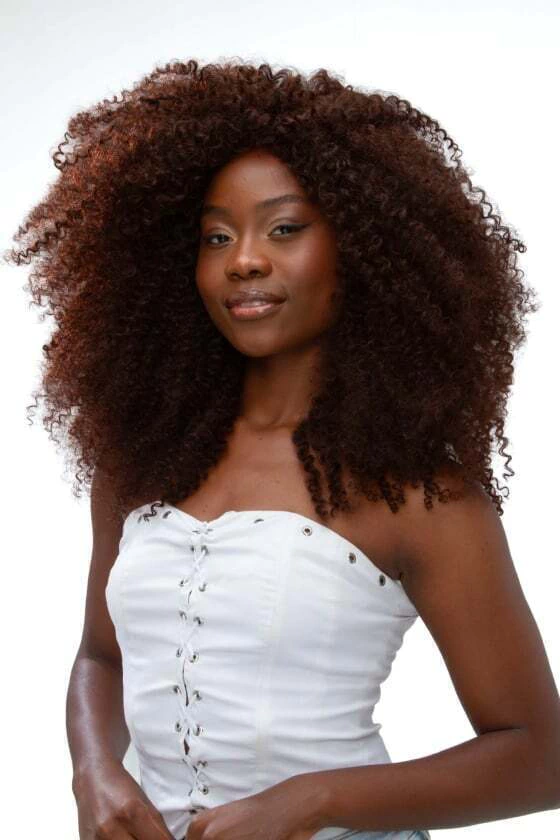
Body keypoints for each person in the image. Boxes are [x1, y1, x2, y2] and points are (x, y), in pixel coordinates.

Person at [6, 59, 560, 840]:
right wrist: (95, 773)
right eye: (216, 236)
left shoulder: (416, 492)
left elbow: (539, 756)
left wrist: (313, 801)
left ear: (361, 249)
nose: (244, 260)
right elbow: (102, 657)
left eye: (285, 228)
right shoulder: (142, 461)